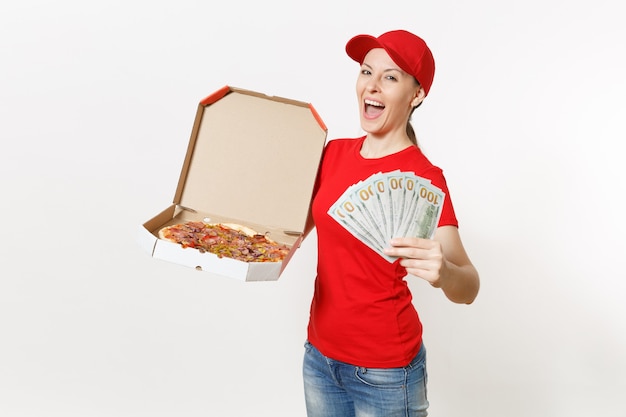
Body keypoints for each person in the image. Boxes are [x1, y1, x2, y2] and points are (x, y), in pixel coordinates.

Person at [302, 30, 480, 417]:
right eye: (367, 71)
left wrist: (444, 272)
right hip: (318, 358)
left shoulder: (425, 180)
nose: (373, 85)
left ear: (416, 95)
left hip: (386, 373)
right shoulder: (332, 154)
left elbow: (468, 287)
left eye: (391, 77)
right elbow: (286, 229)